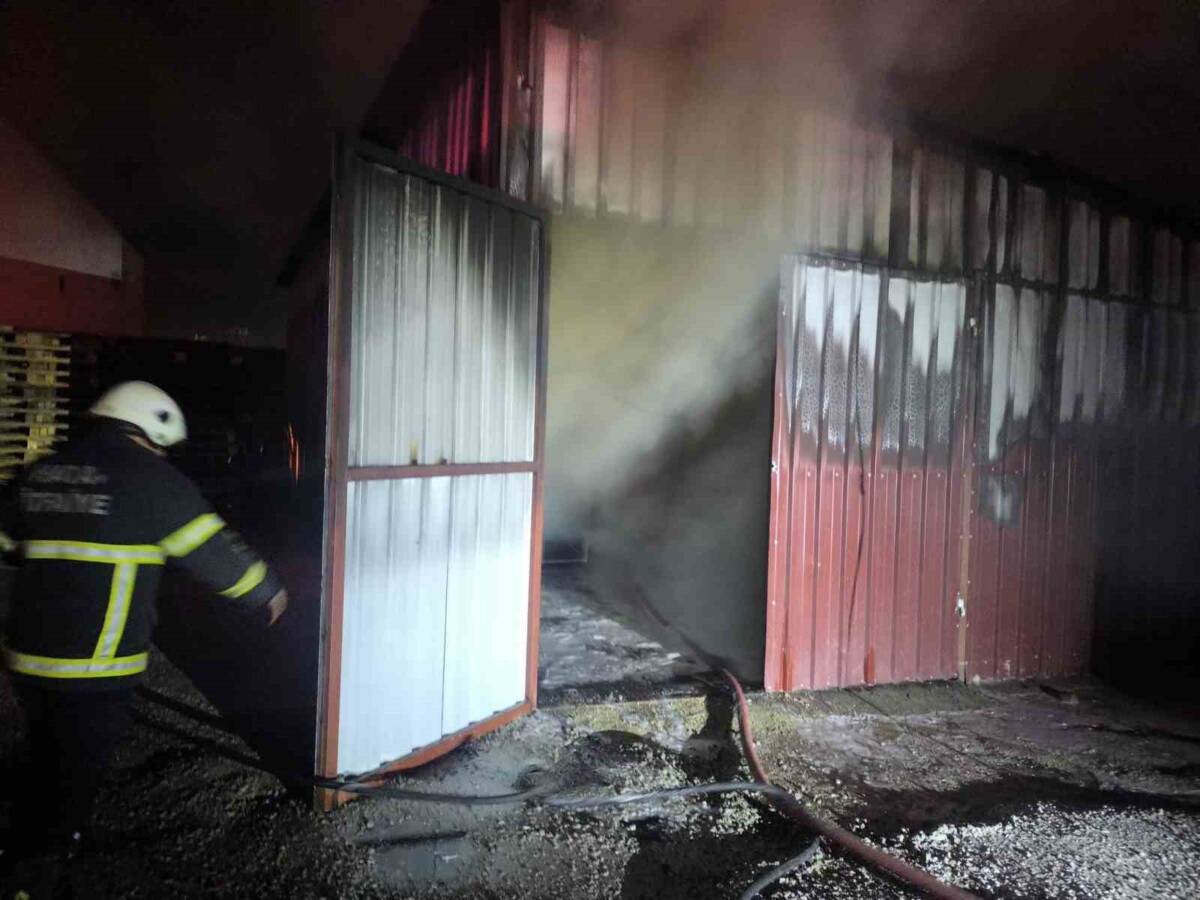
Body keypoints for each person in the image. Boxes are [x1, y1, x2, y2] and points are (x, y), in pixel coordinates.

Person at [0, 381, 287, 896]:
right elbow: (215, 554)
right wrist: (266, 591)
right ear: (147, 432)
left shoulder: (42, 472)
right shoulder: (151, 481)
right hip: (96, 666)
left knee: (45, 749)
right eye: (160, 445)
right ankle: (36, 871)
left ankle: (34, 836)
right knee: (73, 772)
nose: (160, 454)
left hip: (27, 658)